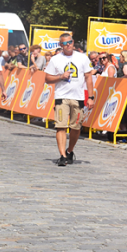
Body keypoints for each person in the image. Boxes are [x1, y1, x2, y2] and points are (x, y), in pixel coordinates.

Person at [44, 33, 94, 167]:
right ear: (61, 45)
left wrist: (91, 97)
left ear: (73, 42)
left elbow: (88, 77)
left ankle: (70, 150)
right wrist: (60, 76)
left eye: (70, 42)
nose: (68, 45)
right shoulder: (56, 59)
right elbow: (47, 79)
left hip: (78, 97)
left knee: (76, 127)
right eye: (65, 43)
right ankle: (62, 155)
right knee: (61, 125)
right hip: (61, 97)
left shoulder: (82, 57)